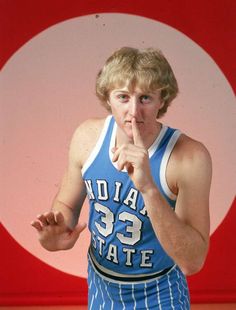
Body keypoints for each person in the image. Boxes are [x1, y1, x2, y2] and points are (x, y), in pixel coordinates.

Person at [31, 47, 212, 309]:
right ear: (108, 98)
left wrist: (149, 188)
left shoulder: (190, 157)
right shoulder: (88, 138)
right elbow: (67, 206)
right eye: (123, 97)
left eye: (146, 98)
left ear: (163, 99)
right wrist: (56, 231)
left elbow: (192, 261)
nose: (134, 111)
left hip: (159, 290)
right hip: (101, 285)